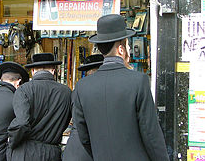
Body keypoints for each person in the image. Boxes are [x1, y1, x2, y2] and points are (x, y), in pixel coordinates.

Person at [73, 14, 170, 161]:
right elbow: (151, 134)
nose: (130, 49)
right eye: (128, 45)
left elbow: (83, 135)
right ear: (121, 49)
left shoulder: (82, 87)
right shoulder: (138, 81)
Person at [7, 53, 72, 161]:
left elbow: (22, 123)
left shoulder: (23, 90)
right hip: (52, 153)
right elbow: (67, 121)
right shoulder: (67, 92)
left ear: (33, 71)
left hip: (26, 152)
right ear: (53, 70)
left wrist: (12, 142)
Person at [62, 54, 104, 161]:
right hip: (91, 150)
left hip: (75, 150)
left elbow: (76, 119)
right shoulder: (107, 88)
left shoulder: (80, 87)